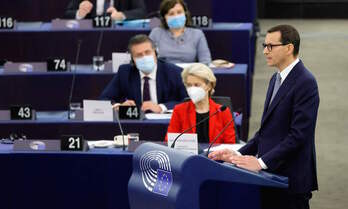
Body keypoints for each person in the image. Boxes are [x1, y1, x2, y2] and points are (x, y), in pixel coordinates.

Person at [208, 25, 320, 209]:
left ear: (289, 47)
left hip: (290, 181)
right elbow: (266, 131)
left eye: (270, 46)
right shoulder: (275, 79)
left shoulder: (306, 82)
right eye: (264, 45)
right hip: (269, 177)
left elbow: (299, 136)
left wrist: (260, 163)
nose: (265, 51)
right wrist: (238, 154)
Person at [100, 34, 187, 113]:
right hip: (136, 123)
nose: (144, 57)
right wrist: (119, 106)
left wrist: (161, 107)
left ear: (155, 52)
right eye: (139, 55)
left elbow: (187, 101)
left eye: (147, 52)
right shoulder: (125, 72)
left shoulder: (175, 72)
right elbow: (105, 99)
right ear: (132, 58)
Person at [166, 63, 236, 144]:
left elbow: (230, 144)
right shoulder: (179, 110)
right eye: (189, 85)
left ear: (209, 86)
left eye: (197, 85)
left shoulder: (223, 112)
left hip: (215, 156)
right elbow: (170, 140)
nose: (192, 89)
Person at [149, 0, 211, 65]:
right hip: (164, 73)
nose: (176, 16)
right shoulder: (156, 33)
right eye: (171, 14)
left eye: (179, 12)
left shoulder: (197, 34)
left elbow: (206, 62)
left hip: (189, 73)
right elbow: (150, 59)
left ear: (185, 14)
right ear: (164, 17)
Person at [64, 0, 146, 21]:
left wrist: (121, 15)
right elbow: (67, 14)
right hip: (90, 36)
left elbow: (142, 12)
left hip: (118, 35)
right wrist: (80, 13)